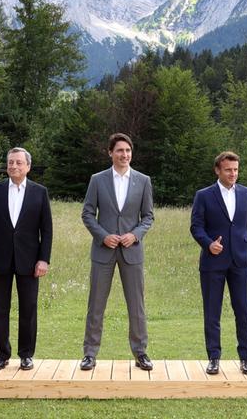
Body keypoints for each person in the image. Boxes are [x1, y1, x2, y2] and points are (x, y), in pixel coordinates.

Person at [80, 133, 155, 372]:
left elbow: (148, 217)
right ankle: (90, 354)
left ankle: (140, 352)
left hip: (132, 250)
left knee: (136, 305)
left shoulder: (143, 181)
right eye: (120, 150)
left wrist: (135, 234)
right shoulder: (97, 180)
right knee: (96, 304)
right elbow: (88, 213)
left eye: (128, 151)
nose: (125, 155)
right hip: (103, 251)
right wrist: (103, 235)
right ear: (110, 152)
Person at [0, 147, 53, 371]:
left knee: (28, 308)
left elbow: (46, 230)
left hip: (29, 261)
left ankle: (26, 354)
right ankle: (2, 353)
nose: (14, 166)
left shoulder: (40, 192)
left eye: (19, 163)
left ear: (28, 166)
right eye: (10, 162)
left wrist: (43, 259)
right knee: (0, 308)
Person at [190, 151, 247, 375]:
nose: (233, 174)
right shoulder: (204, 195)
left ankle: (246, 358)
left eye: (236, 169)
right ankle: (213, 358)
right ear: (218, 170)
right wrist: (209, 244)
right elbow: (196, 227)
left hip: (241, 261)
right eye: (228, 169)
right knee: (212, 311)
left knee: (243, 311)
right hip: (213, 261)